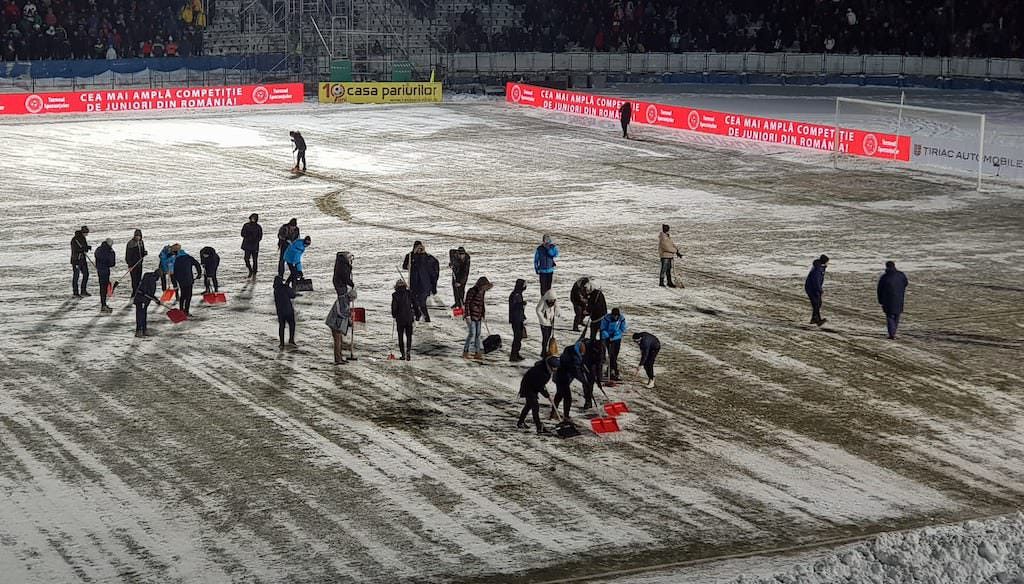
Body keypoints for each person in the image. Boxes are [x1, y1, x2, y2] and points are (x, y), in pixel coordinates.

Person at [517, 356, 558, 435]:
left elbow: (541, 384)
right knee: (535, 407)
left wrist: (546, 394)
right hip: (528, 388)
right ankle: (539, 427)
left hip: (532, 387)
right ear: (549, 366)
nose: (555, 370)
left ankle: (520, 422)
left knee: (528, 405)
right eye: (554, 368)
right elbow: (539, 386)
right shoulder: (542, 372)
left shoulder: (545, 369)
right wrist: (547, 395)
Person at [552, 340, 589, 422]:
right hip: (563, 377)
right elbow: (576, 372)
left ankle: (553, 412)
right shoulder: (573, 358)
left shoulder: (571, 349)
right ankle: (565, 416)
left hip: (561, 375)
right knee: (567, 398)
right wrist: (585, 382)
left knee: (559, 394)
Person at [462, 276, 492, 360]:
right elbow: (467, 303)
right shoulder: (472, 291)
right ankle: (465, 351)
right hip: (471, 316)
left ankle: (477, 352)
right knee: (472, 334)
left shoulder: (482, 292)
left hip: (478, 316)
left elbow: (482, 303)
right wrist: (467, 315)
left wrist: (483, 314)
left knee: (478, 335)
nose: (486, 288)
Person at [877, 261, 909, 340]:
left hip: (887, 300)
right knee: (897, 316)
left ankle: (892, 334)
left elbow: (879, 289)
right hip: (899, 298)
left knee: (890, 316)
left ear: (886, 267)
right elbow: (906, 283)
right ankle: (893, 332)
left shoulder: (884, 277)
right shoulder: (901, 275)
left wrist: (880, 300)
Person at [409, 242, 440, 322]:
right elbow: (405, 266)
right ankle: (418, 316)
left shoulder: (428, 258)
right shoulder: (410, 257)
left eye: (420, 248)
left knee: (422, 303)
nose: (419, 250)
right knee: (414, 302)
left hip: (424, 286)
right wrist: (413, 254)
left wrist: (433, 286)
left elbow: (434, 272)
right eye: (417, 248)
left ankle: (427, 319)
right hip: (414, 285)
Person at [326, 287, 355, 363]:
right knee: (337, 342)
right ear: (350, 297)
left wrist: (350, 322)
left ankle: (340, 357)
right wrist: (349, 314)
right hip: (334, 323)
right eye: (353, 299)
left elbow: (345, 315)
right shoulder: (342, 300)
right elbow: (340, 313)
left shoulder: (346, 301)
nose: (353, 301)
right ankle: (337, 359)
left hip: (338, 324)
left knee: (340, 341)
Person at [600, 307, 628, 381]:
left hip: (616, 339)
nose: (615, 317)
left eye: (616, 316)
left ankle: (611, 371)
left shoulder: (621, 319)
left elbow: (623, 329)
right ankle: (612, 372)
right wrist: (608, 337)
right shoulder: (606, 318)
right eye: (614, 315)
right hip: (607, 338)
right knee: (610, 355)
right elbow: (602, 328)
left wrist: (615, 336)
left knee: (614, 356)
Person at [172, 248, 202, 316]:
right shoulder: (188, 257)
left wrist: (176, 280)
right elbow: (197, 264)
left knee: (183, 295)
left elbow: (174, 272)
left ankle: (181, 310)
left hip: (181, 280)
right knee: (188, 296)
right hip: (189, 279)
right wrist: (199, 273)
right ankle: (186, 311)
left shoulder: (176, 260)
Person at [391, 279, 415, 361]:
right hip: (409, 318)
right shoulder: (409, 293)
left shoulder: (395, 295)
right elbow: (414, 304)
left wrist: (394, 315)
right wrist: (416, 314)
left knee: (400, 337)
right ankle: (408, 352)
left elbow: (394, 307)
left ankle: (403, 354)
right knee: (409, 336)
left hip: (400, 319)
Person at [134, 268, 160, 337]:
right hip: (141, 299)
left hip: (142, 298)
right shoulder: (152, 281)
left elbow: (148, 293)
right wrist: (156, 300)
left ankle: (144, 330)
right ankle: (139, 330)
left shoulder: (147, 275)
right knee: (140, 315)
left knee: (143, 314)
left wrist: (156, 300)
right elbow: (149, 293)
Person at [804, 254, 829, 326]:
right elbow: (816, 281)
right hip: (812, 288)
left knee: (817, 303)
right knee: (816, 303)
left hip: (813, 288)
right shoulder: (818, 269)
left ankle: (815, 319)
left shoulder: (819, 267)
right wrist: (819, 290)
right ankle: (816, 319)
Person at [273, 275, 296, 348]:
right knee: (292, 325)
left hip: (280, 311)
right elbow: (293, 295)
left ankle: (281, 343)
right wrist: (291, 288)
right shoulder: (285, 287)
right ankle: (291, 340)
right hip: (288, 310)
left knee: (281, 326)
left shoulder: (275, 290)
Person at [582, 338, 605, 409]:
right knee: (586, 384)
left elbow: (599, 365)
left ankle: (588, 400)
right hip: (584, 364)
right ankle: (588, 401)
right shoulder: (586, 346)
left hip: (592, 365)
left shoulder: (601, 351)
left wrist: (598, 380)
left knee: (590, 383)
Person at [94, 238, 116, 313]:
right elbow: (112, 263)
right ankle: (103, 305)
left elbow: (97, 256)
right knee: (104, 288)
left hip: (100, 270)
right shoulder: (109, 251)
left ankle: (103, 304)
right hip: (105, 271)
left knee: (102, 287)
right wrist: (112, 254)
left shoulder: (99, 249)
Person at [536, 289, 558, 360]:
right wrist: (543, 320)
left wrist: (558, 312)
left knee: (548, 337)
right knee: (545, 338)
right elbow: (538, 310)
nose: (552, 302)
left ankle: (548, 350)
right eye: (550, 300)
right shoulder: (543, 300)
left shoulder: (554, 300)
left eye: (553, 300)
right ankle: (543, 351)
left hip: (550, 322)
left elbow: (556, 307)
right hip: (544, 323)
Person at [508, 278, 527, 362]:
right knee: (517, 337)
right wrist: (521, 304)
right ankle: (513, 355)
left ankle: (516, 353)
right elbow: (514, 308)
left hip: (519, 318)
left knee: (518, 338)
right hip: (516, 319)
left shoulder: (518, 294)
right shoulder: (515, 295)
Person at [125, 229, 147, 298]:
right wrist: (130, 265)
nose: (138, 237)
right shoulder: (131, 243)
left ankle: (138, 292)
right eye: (137, 236)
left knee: (139, 279)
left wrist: (144, 253)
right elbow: (128, 255)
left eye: (139, 236)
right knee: (134, 280)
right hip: (133, 265)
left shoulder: (141, 242)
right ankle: (134, 292)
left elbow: (142, 252)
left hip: (139, 264)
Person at [70, 226, 91, 297]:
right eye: (86, 233)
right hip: (76, 260)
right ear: (83, 232)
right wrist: (83, 249)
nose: (87, 234)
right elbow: (75, 250)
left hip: (83, 259)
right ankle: (75, 292)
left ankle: (83, 290)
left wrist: (87, 248)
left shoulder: (83, 238)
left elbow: (85, 248)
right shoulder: (74, 240)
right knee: (76, 276)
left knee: (86, 274)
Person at [240, 213, 263, 279]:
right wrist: (248, 236)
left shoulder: (258, 227)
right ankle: (250, 270)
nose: (253, 219)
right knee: (246, 259)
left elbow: (260, 236)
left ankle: (254, 272)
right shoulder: (246, 225)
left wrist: (256, 240)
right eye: (252, 218)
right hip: (247, 245)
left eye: (255, 218)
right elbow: (242, 234)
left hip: (255, 245)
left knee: (255, 260)